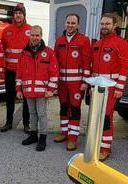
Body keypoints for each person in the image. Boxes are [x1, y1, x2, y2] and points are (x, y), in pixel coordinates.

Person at [15, 25, 59, 151]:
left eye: (37, 35)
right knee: (32, 114)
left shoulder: (49, 52)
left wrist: (50, 89)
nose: (34, 38)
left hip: (42, 92)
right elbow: (19, 72)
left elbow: (54, 73)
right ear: (29, 35)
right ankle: (33, 135)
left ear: (41, 35)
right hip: (28, 91)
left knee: (42, 114)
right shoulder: (24, 53)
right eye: (32, 35)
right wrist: (18, 89)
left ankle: (43, 138)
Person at [91, 13, 128, 161]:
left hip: (111, 88)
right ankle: (96, 143)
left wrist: (119, 88)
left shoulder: (121, 43)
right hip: (97, 86)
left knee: (106, 117)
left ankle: (105, 148)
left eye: (107, 24)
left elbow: (125, 67)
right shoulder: (97, 44)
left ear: (114, 26)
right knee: (97, 116)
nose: (104, 26)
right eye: (102, 24)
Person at [54, 14, 92, 151]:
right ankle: (64, 132)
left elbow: (87, 62)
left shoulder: (84, 40)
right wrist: (54, 81)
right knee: (63, 107)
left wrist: (85, 81)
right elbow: (54, 63)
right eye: (68, 22)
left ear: (78, 25)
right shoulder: (59, 41)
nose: (70, 25)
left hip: (77, 83)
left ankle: (72, 138)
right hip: (62, 83)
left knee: (75, 110)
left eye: (73, 23)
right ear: (65, 23)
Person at [0, 2, 31, 133]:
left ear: (24, 15)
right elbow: (2, 51)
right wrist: (3, 68)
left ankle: (26, 124)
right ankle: (8, 122)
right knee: (9, 98)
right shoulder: (7, 30)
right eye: (16, 13)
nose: (18, 15)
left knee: (26, 99)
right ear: (13, 15)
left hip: (25, 73)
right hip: (10, 72)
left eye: (20, 13)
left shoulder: (30, 30)